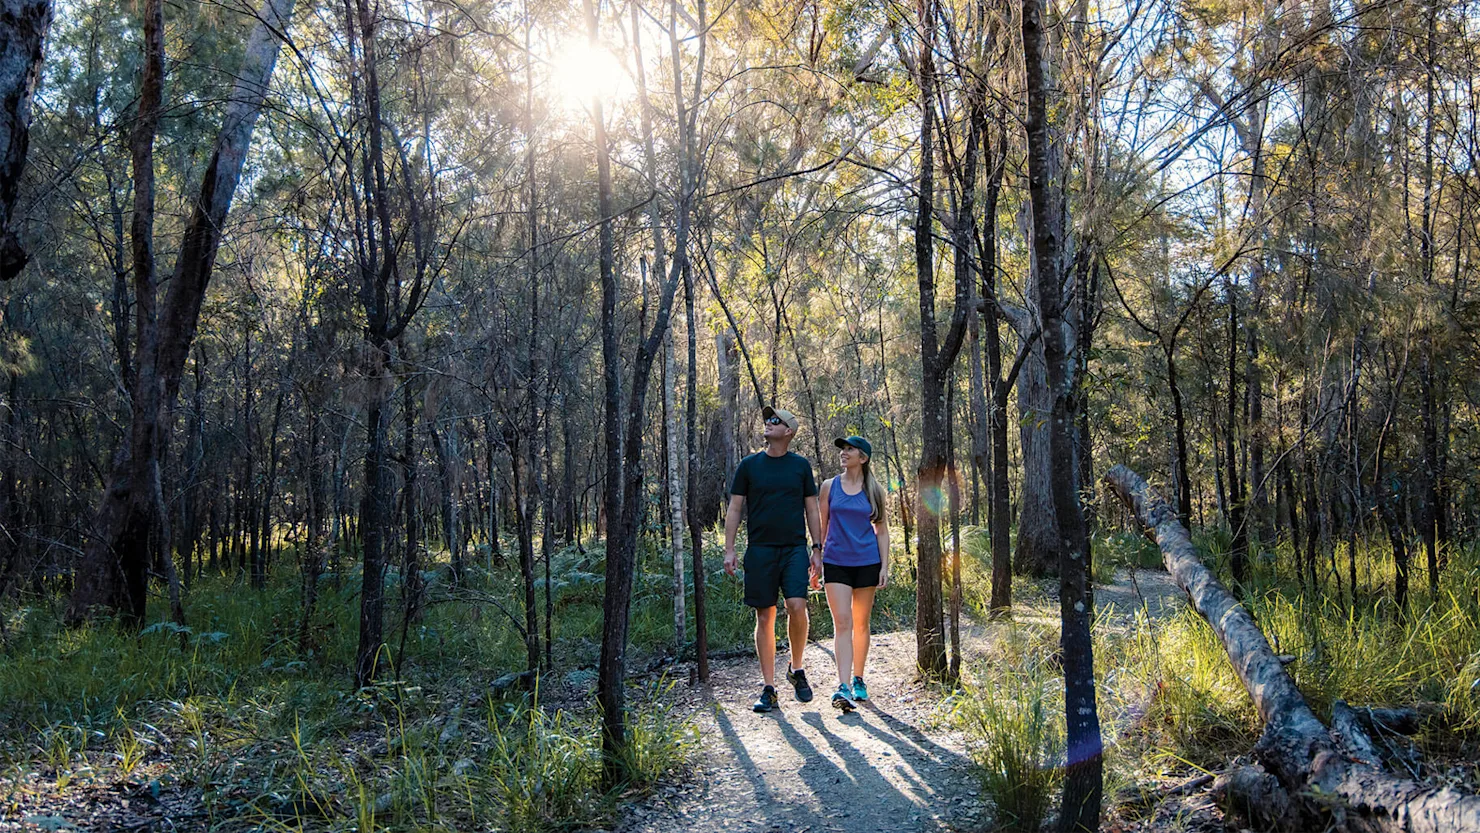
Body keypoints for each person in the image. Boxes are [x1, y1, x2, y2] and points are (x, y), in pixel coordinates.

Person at [724, 406, 824, 713]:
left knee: (797, 605)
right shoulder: (749, 466)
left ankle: (797, 668)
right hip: (760, 550)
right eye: (768, 419)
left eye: (776, 421)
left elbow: (811, 509)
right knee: (764, 616)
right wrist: (729, 549)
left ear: (789, 432)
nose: (768, 423)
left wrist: (817, 549)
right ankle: (769, 688)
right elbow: (735, 508)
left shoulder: (800, 466)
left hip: (794, 548)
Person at [818, 435, 890, 712]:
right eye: (843, 449)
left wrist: (884, 566)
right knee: (843, 623)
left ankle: (859, 679)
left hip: (867, 562)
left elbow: (881, 531)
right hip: (836, 561)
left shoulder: (874, 491)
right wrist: (815, 558)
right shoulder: (829, 487)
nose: (843, 453)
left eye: (850, 449)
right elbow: (822, 526)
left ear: (863, 458)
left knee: (861, 623)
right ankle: (843, 686)